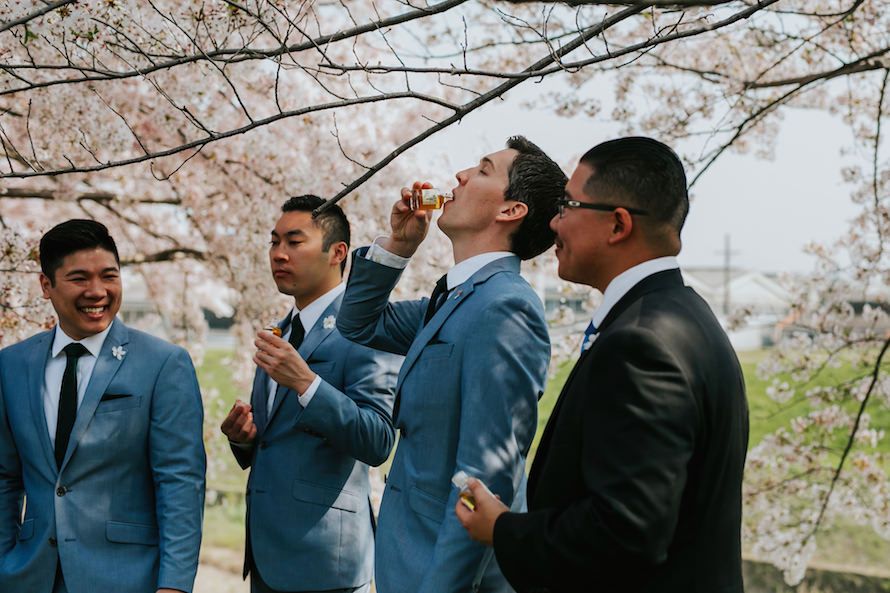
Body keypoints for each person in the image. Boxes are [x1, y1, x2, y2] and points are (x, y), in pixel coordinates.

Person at [456, 137, 750, 592]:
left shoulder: (640, 345)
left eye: (569, 205)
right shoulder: (688, 316)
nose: (554, 222)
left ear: (618, 224)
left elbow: (625, 532)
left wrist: (502, 530)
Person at [336, 136, 567, 593]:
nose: (460, 175)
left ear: (511, 210)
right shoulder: (456, 299)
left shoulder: (505, 308)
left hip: (444, 573)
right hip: (407, 559)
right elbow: (358, 324)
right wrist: (398, 247)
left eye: (482, 170)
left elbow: (487, 475)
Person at [0, 219, 205, 593]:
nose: (98, 291)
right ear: (46, 286)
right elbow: (4, 477)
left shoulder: (163, 363)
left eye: (109, 276)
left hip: (128, 579)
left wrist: (174, 586)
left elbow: (179, 482)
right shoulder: (10, 365)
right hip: (28, 577)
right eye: (80, 278)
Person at [220, 195, 400, 593]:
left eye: (294, 242)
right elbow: (279, 440)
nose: (279, 255)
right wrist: (245, 439)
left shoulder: (368, 330)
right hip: (266, 558)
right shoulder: (280, 332)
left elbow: (377, 439)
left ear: (338, 252)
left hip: (326, 563)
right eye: (273, 242)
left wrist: (307, 384)